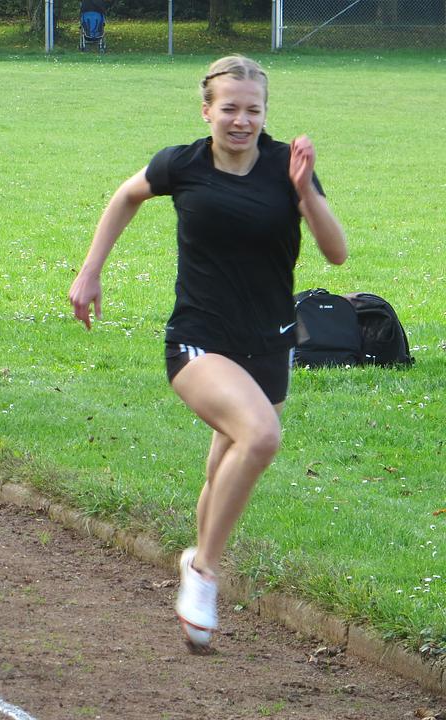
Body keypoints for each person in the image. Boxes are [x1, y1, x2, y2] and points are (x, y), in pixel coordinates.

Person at [68, 55, 347, 652]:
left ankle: (196, 563)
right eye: (230, 108)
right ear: (207, 111)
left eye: (253, 110)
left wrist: (305, 192)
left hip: (270, 343)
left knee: (223, 469)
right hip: (198, 341)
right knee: (261, 437)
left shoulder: (286, 168)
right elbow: (126, 196)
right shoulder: (183, 163)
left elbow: (336, 253)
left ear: (265, 114)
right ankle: (203, 571)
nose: (241, 120)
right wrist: (91, 270)